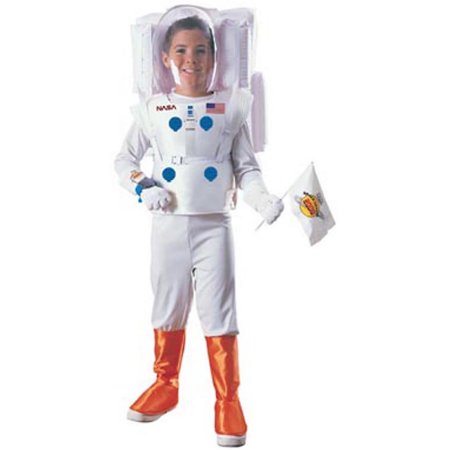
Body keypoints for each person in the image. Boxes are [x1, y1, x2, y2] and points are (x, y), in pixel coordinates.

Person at [115, 10, 283, 447]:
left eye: (201, 50)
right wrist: (144, 187)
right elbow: (124, 160)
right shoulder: (153, 110)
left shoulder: (231, 109)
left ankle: (228, 400)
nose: (191, 59)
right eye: (181, 50)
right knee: (167, 305)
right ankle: (165, 384)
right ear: (165, 57)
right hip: (167, 225)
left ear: (214, 55)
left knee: (219, 311)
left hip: (214, 227)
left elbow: (246, 168)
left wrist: (262, 199)